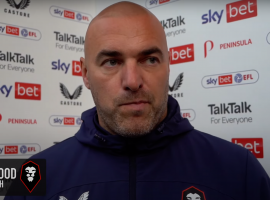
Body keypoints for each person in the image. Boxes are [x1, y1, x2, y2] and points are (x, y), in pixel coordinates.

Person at [5, 1, 270, 200]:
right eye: (111, 61)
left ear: (168, 67)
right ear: (85, 73)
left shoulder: (239, 170)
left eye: (149, 59)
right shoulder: (34, 174)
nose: (132, 81)